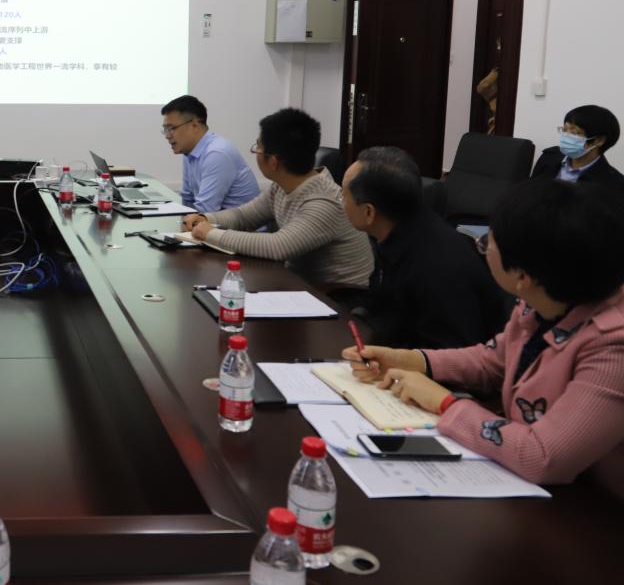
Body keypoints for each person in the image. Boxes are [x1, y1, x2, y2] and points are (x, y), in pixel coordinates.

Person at [343, 179, 624, 494]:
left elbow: (542, 456)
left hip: (595, 508)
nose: (483, 247)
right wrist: (412, 360)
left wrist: (446, 403)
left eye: (488, 242)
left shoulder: (613, 347)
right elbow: (493, 360)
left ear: (522, 277)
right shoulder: (543, 299)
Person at [182, 108, 373, 290]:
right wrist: (206, 219)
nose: (255, 151)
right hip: (299, 285)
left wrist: (210, 233)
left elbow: (278, 246)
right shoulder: (282, 186)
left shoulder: (323, 202)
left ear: (273, 161)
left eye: (258, 146)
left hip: (339, 297)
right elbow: (243, 216)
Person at [342, 146, 510, 348]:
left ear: (369, 212)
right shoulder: (395, 234)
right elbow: (384, 307)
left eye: (344, 197)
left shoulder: (437, 265)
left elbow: (453, 352)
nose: (342, 203)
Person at [161, 95, 259, 212]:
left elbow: (206, 210)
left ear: (194, 125)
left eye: (171, 128)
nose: (167, 136)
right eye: (165, 129)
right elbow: (187, 198)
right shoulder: (189, 152)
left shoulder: (216, 154)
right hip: (215, 221)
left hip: (241, 224)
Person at [530, 104, 624, 190]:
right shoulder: (548, 158)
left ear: (599, 140)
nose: (566, 136)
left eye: (574, 132)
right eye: (565, 130)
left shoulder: (615, 184)